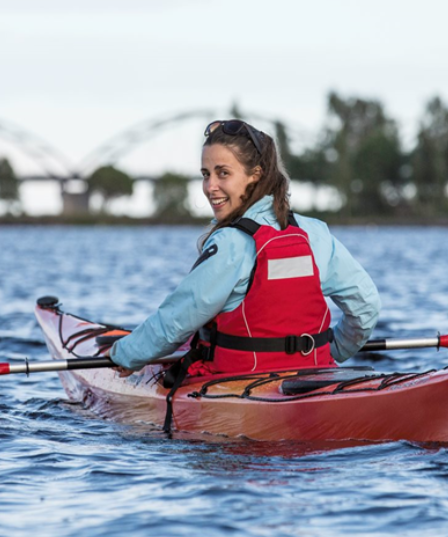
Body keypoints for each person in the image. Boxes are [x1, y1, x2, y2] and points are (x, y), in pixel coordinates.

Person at [108, 119, 380, 379]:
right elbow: (366, 306)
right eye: (206, 174)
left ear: (254, 175)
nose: (210, 187)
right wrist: (333, 351)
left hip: (239, 383)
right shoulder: (315, 233)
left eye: (223, 173)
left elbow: (176, 321)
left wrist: (125, 356)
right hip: (316, 374)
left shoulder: (231, 243)